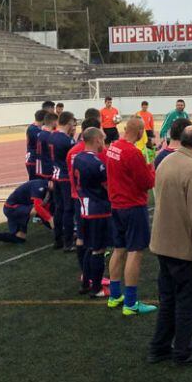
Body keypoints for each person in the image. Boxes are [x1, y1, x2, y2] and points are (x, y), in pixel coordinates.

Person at [148, 125, 192, 365]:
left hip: (163, 243)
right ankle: (183, 350)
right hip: (183, 248)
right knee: (187, 301)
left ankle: (160, 347)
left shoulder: (167, 161)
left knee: (168, 300)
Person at [105, 116, 156, 316]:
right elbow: (147, 182)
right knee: (135, 251)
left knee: (119, 249)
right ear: (141, 131)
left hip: (116, 205)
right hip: (133, 206)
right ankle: (131, 302)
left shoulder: (113, 147)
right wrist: (150, 163)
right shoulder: (132, 152)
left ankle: (114, 295)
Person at [71, 127, 111, 298]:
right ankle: (96, 288)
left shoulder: (78, 158)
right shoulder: (96, 163)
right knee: (98, 249)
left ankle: (85, 281)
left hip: (84, 207)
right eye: (102, 139)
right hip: (98, 209)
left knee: (89, 246)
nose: (103, 142)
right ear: (96, 140)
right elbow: (107, 186)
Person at [0, 180, 53, 247]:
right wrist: (49, 219)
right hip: (12, 208)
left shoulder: (47, 189)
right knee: (37, 209)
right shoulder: (39, 186)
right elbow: (37, 207)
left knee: (20, 238)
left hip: (15, 208)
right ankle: (57, 231)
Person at [49, 111, 77, 250]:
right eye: (72, 122)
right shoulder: (67, 140)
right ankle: (68, 242)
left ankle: (58, 239)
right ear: (68, 122)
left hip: (56, 175)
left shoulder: (52, 136)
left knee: (59, 208)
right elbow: (75, 158)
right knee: (68, 209)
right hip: (66, 177)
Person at [35, 112, 57, 181]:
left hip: (42, 165)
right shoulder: (49, 136)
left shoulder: (42, 133)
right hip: (47, 166)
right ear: (53, 122)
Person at [25, 110, 46, 180]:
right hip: (33, 160)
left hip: (36, 160)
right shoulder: (32, 129)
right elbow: (42, 141)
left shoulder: (38, 129)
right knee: (35, 182)